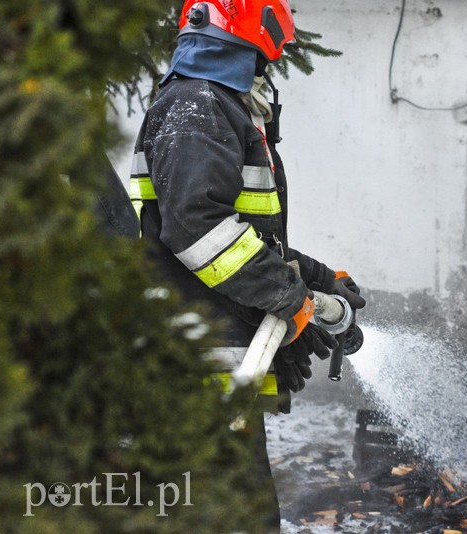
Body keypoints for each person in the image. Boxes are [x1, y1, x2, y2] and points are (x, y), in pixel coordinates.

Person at [127, 0, 366, 529]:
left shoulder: (212, 104)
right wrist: (290, 298)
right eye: (266, 54)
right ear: (249, 35)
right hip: (198, 364)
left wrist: (316, 279)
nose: (267, 68)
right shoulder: (198, 105)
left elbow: (241, 231)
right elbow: (197, 231)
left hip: (224, 359)